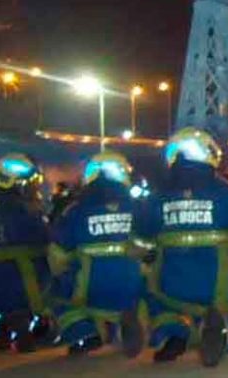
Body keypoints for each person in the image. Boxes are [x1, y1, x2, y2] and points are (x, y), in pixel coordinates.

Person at [136, 128, 228, 367]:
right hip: (220, 285)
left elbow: (139, 245)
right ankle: (226, 332)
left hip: (171, 283)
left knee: (158, 301)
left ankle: (173, 334)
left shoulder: (156, 199)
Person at [48, 151, 146, 357]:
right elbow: (151, 243)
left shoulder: (74, 211)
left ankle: (84, 332)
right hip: (134, 285)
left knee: (56, 294)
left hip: (89, 287)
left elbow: (58, 254)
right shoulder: (138, 207)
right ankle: (128, 321)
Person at [0, 154, 51, 353]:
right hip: (22, 286)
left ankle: (2, 329)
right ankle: (33, 328)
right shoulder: (26, 211)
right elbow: (46, 240)